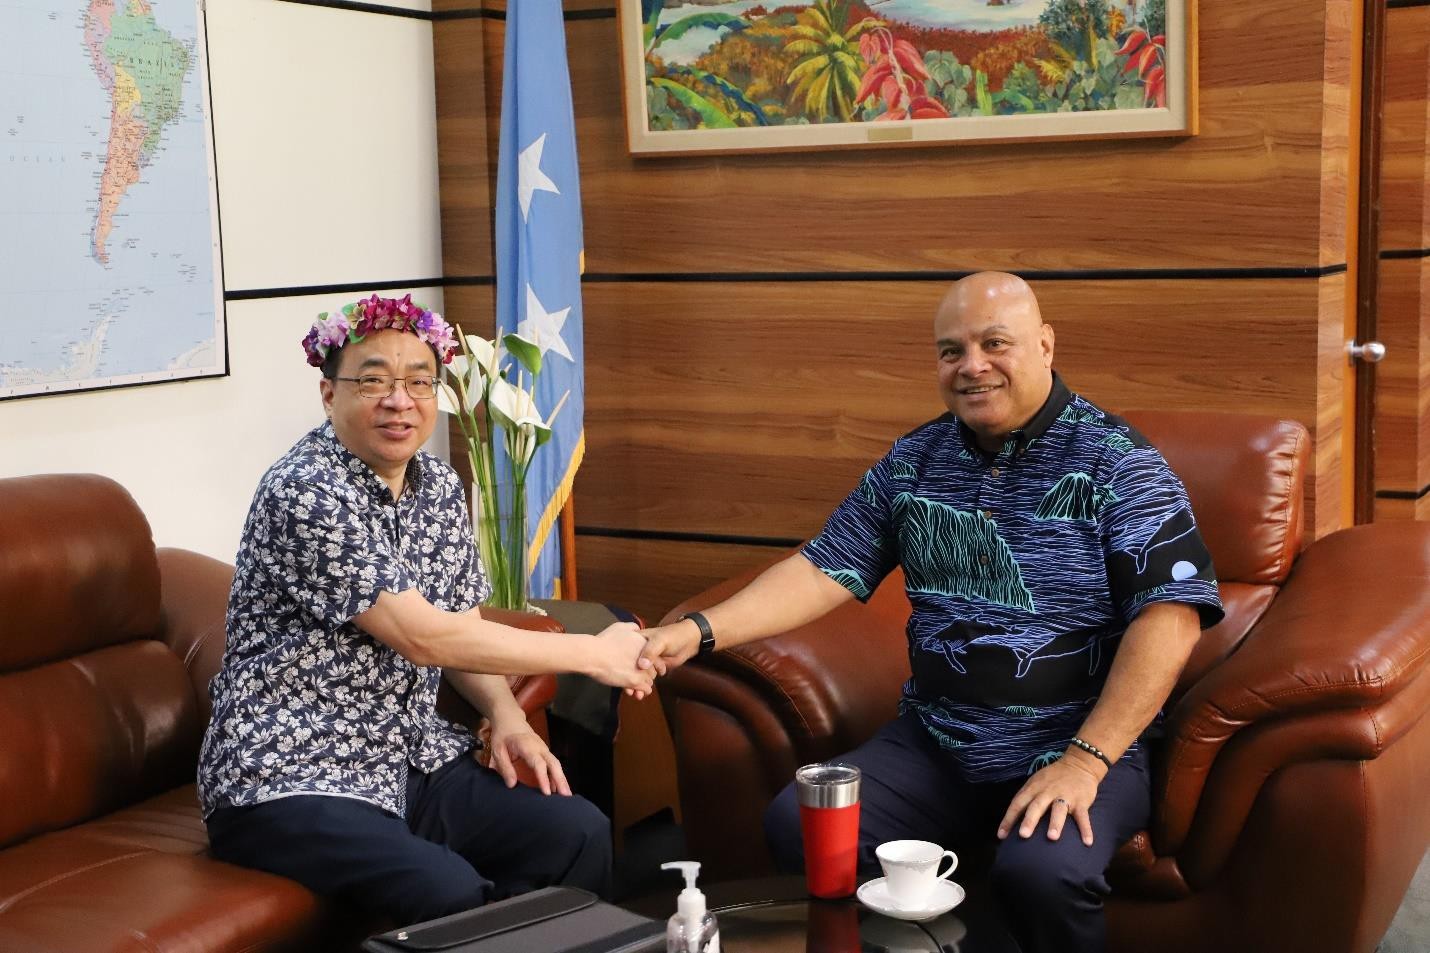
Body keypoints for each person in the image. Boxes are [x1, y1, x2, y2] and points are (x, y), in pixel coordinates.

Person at [637, 272, 1224, 953]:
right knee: (807, 828)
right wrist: (697, 630)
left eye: (994, 343)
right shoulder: (915, 460)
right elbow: (824, 565)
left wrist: (1086, 761)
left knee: (1043, 872)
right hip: (938, 739)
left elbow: (1171, 615)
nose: (972, 365)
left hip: (1075, 741)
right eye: (952, 350)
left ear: (1044, 344)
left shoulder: (1119, 461)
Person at [198, 294, 653, 926]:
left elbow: (461, 622)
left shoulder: (437, 485)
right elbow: (422, 637)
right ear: (329, 394)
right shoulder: (305, 491)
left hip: (406, 757)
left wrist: (504, 714)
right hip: (289, 776)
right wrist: (591, 653)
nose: (398, 399)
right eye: (373, 380)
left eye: (418, 381)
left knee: (574, 831)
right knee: (448, 892)